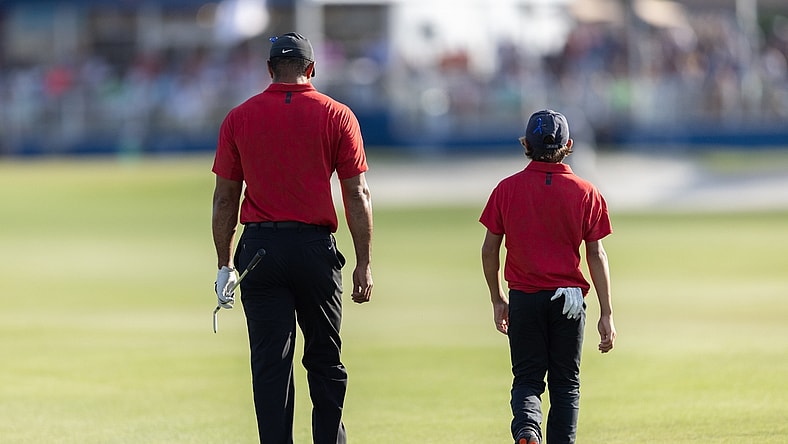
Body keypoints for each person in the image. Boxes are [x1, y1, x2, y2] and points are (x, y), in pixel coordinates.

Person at [211, 32, 373, 444]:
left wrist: (224, 264)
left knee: (270, 366)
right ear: (312, 69)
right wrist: (363, 262)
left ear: (269, 70)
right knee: (325, 360)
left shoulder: (239, 118)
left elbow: (225, 199)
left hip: (259, 252)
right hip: (315, 251)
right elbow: (357, 194)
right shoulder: (338, 116)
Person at [479, 109, 616, 444]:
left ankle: (528, 429)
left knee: (527, 379)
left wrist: (498, 299)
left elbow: (489, 250)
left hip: (525, 298)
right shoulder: (586, 192)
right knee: (566, 383)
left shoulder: (506, 189)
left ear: (525, 143)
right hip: (569, 299)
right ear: (568, 145)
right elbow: (595, 254)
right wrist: (607, 312)